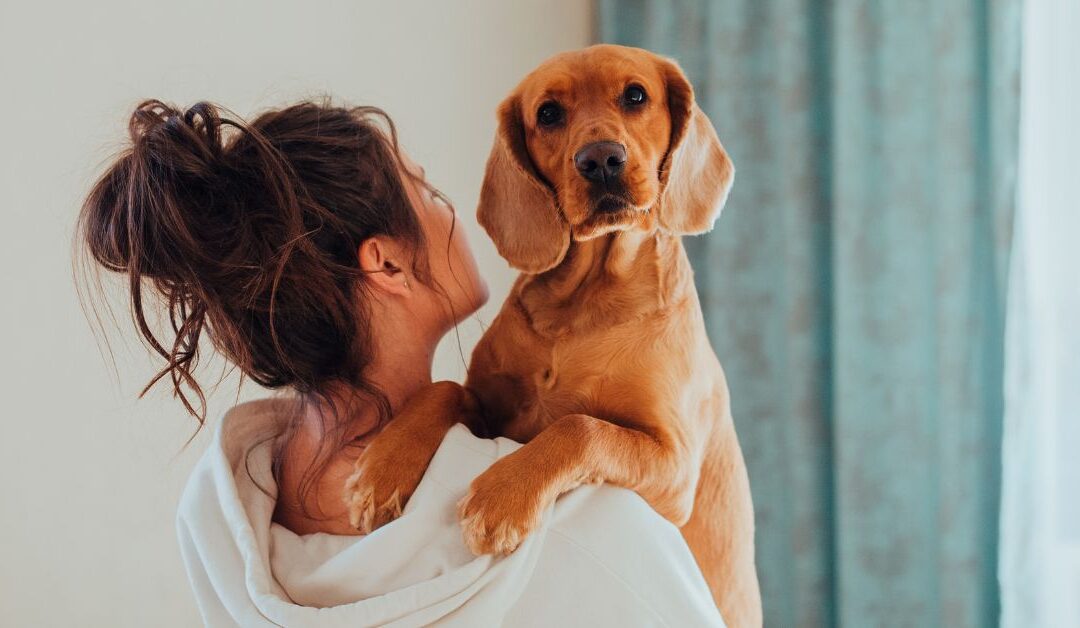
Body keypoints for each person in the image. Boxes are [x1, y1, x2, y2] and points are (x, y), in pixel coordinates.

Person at [79, 99, 725, 627]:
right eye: (430, 190)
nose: (456, 213)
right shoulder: (584, 527)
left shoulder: (219, 527)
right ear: (385, 263)